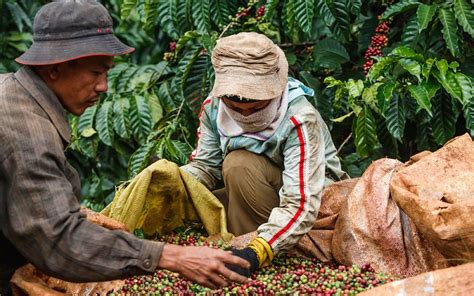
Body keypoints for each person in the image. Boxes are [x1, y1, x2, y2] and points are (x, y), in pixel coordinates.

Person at [0, 1, 249, 294]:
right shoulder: (28, 132)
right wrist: (172, 256)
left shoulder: (11, 91)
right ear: (55, 68)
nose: (104, 86)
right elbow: (60, 241)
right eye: (96, 73)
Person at [181, 32, 348, 276]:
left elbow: (301, 201)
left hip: (312, 207)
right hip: (253, 195)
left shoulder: (299, 118)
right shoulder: (214, 108)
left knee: (239, 164)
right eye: (236, 109)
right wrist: (173, 180)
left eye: (256, 108)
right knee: (188, 196)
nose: (245, 116)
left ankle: (255, 251)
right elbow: (206, 166)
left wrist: (258, 250)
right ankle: (243, 248)